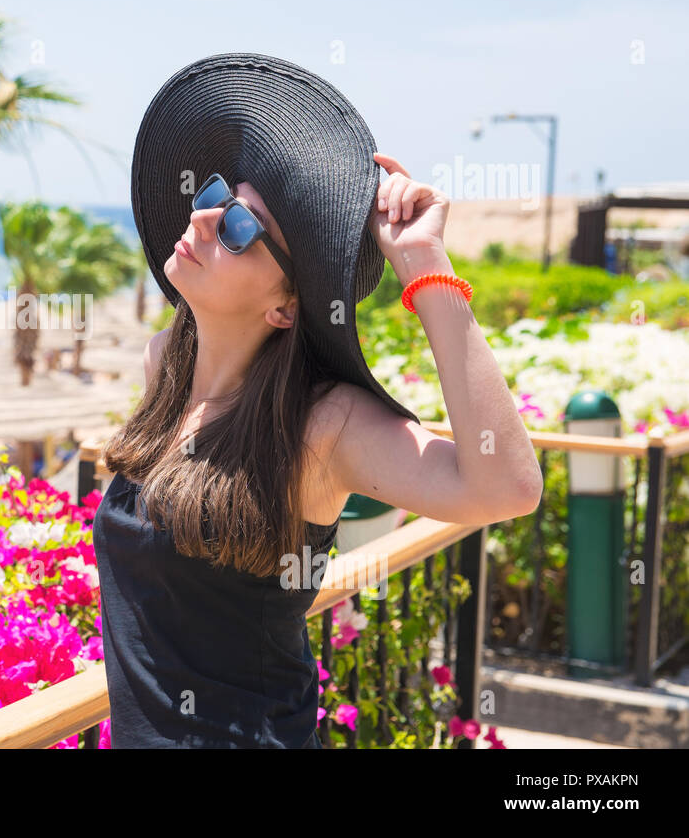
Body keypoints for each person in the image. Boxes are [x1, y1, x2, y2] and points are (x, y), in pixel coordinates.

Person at [94, 53, 543, 749]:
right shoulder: (164, 370)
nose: (209, 217)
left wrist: (427, 268)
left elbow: (507, 487)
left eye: (241, 226)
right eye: (214, 194)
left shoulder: (320, 425)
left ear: (286, 306)